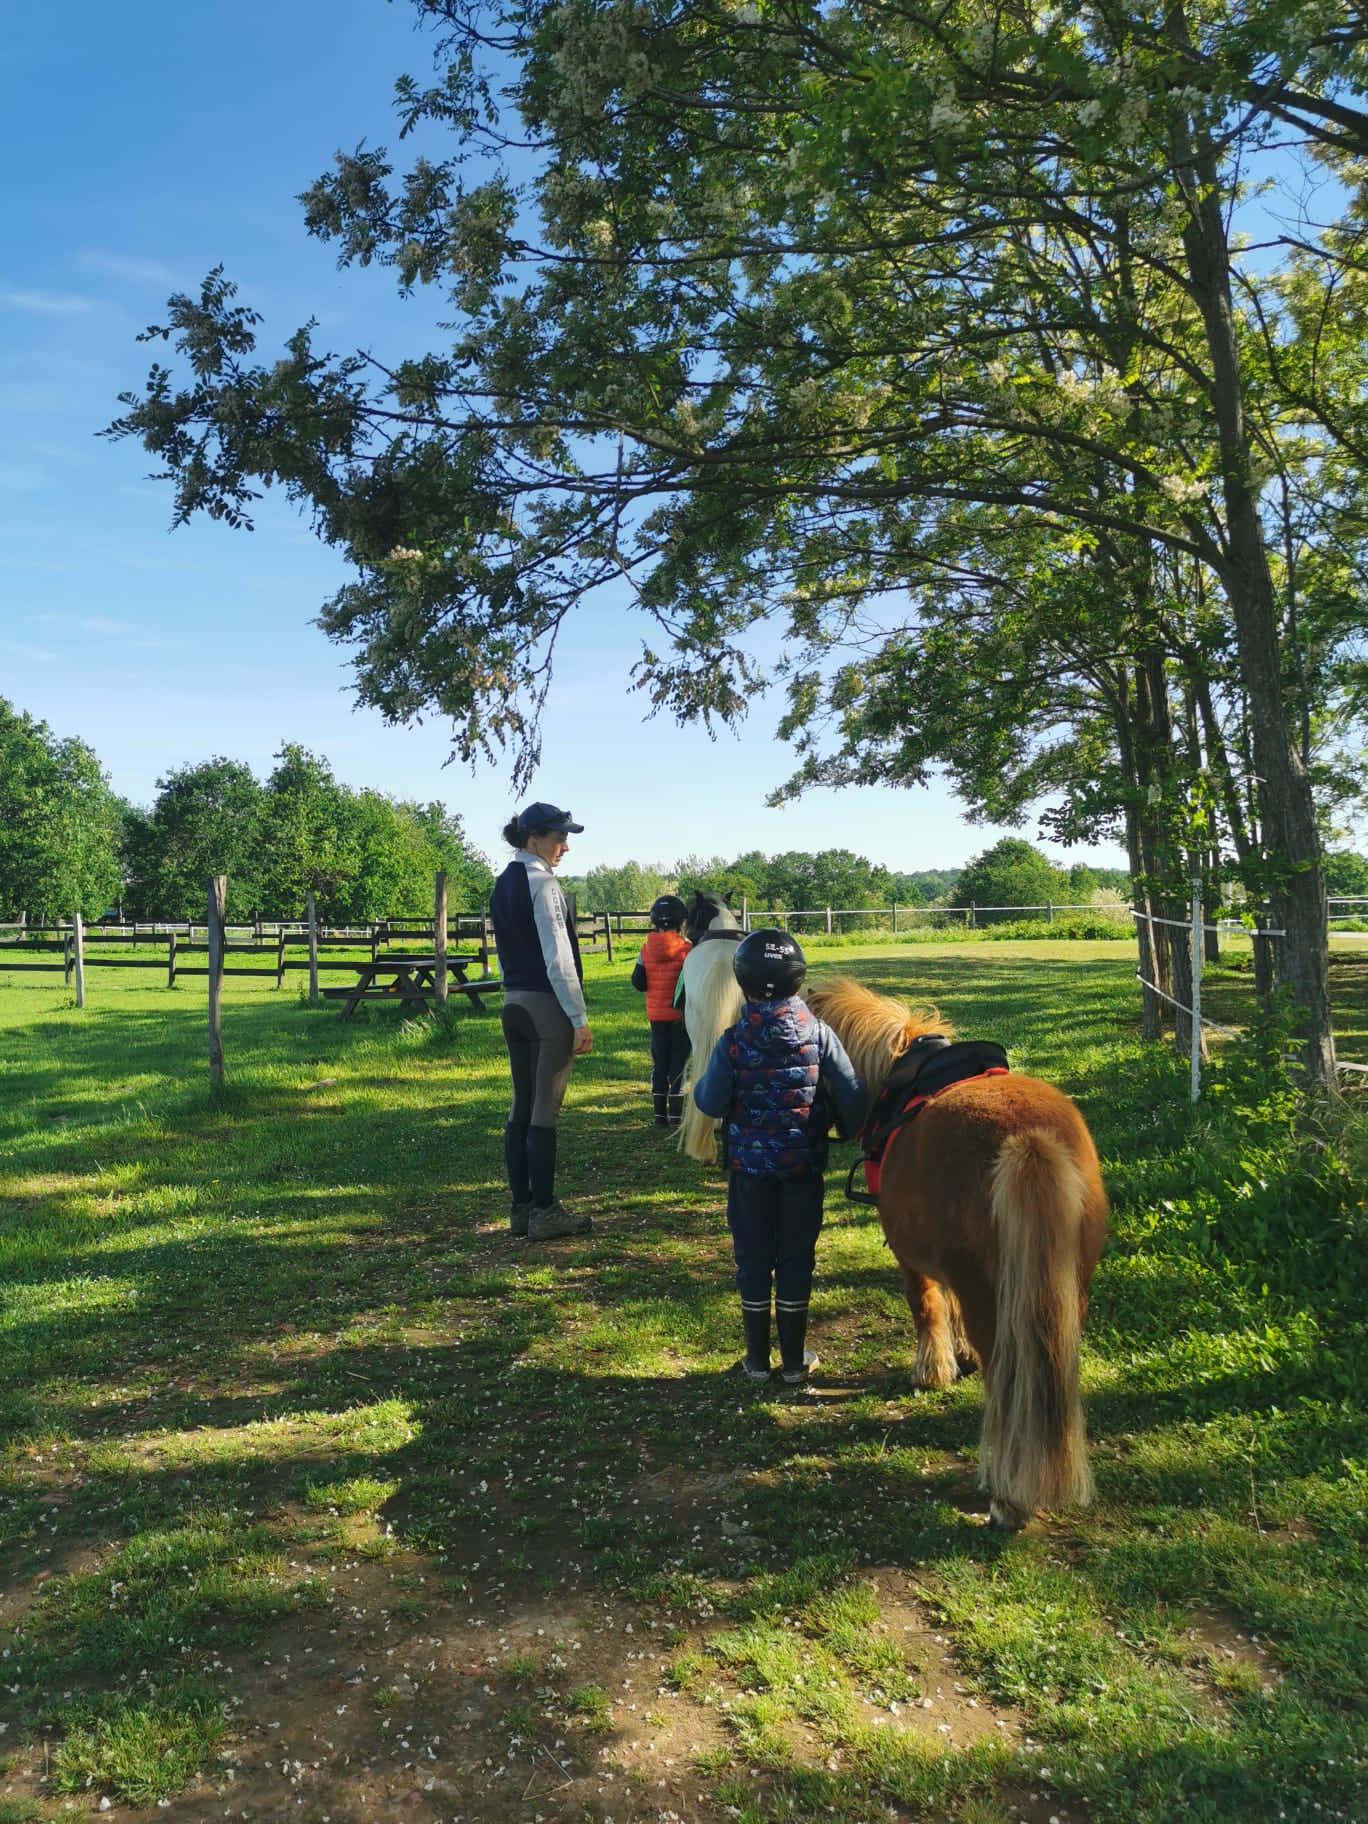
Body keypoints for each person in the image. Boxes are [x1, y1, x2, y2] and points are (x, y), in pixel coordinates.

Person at [691, 929, 864, 1385]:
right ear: (798, 978)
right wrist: (845, 1128)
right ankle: (792, 1361)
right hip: (802, 1168)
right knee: (795, 1256)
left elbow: (708, 1102)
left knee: (752, 1255)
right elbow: (851, 1094)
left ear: (743, 982)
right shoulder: (821, 1035)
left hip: (748, 1173)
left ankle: (755, 1359)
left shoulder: (732, 1041)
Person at [489, 801, 594, 1242]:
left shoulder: (501, 883)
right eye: (558, 838)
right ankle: (546, 1211)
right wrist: (579, 1017)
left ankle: (521, 1207)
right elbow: (559, 957)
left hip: (513, 1003)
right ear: (534, 839)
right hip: (545, 1008)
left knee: (520, 1106)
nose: (565, 847)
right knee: (543, 1112)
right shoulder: (543, 883)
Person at [630, 894, 692, 1128]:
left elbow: (638, 982)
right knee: (679, 1063)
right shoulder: (688, 949)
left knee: (660, 1063)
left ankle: (658, 1117)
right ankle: (675, 1117)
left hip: (656, 1017)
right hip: (680, 1017)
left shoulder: (646, 949)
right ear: (681, 921)